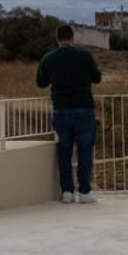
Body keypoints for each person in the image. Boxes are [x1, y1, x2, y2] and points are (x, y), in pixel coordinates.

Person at [37, 25, 103, 203]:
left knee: (64, 152)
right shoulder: (84, 56)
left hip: (61, 110)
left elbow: (41, 82)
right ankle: (85, 192)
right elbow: (97, 78)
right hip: (84, 109)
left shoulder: (48, 58)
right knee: (85, 151)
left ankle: (67, 192)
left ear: (57, 38)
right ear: (72, 38)